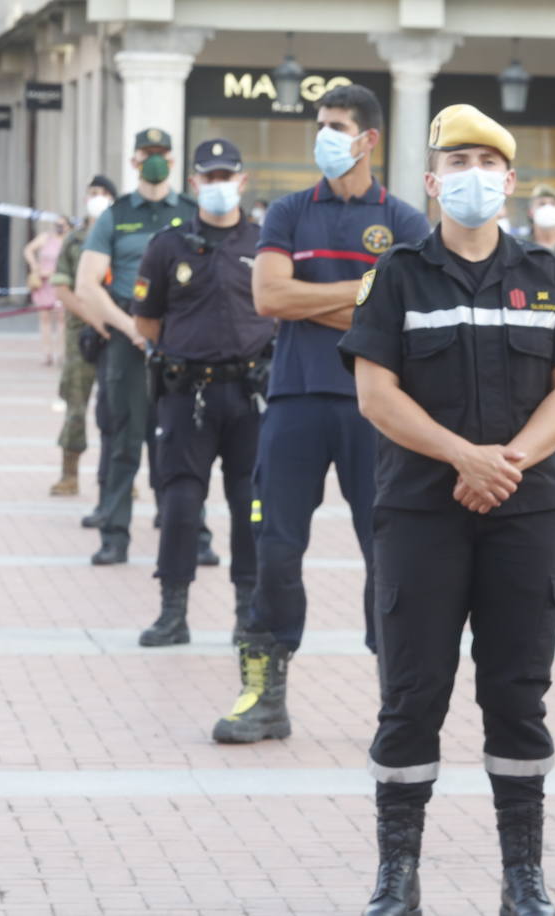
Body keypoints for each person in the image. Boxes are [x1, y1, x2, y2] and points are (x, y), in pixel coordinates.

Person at [340, 102, 555, 916]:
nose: (473, 179)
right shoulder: (397, 275)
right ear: (430, 180)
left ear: (511, 182)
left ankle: (522, 877)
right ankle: (398, 875)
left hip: (525, 514)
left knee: (518, 694)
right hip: (421, 511)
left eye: (488, 165)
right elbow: (375, 393)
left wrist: (508, 463)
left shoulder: (547, 273)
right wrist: (464, 457)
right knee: (411, 692)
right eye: (458, 165)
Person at [209, 84, 429, 743]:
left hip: (377, 407)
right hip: (294, 401)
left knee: (388, 554)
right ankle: (264, 695)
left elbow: (406, 313)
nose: (323, 136)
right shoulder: (287, 212)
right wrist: (365, 292)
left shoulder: (406, 222)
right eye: (320, 124)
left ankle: (400, 697)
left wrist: (322, 300)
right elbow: (270, 297)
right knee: (274, 548)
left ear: (369, 140)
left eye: (336, 126)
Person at [131, 139, 275, 648]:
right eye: (208, 178)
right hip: (185, 394)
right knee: (179, 505)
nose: (217, 186)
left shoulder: (265, 243)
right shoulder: (169, 246)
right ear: (193, 184)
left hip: (249, 395)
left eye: (226, 177)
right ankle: (174, 612)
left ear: (242, 180)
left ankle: (247, 611)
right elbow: (146, 321)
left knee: (249, 504)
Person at [77, 127, 206, 565]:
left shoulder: (192, 212)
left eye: (161, 154)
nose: (153, 160)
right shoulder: (116, 215)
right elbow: (86, 284)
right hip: (127, 339)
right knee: (123, 441)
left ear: (172, 161)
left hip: (181, 340)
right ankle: (114, 536)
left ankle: (196, 535)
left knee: (186, 441)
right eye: (146, 154)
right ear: (133, 162)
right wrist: (131, 327)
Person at [49, 175, 118, 499]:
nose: (98, 197)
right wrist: (94, 318)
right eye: (93, 192)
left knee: (120, 408)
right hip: (82, 334)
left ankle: (121, 477)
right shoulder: (75, 240)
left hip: (119, 332)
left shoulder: (122, 237)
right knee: (76, 404)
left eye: (104, 193)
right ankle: (69, 473)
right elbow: (62, 287)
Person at [25, 217, 70, 366]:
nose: (59, 227)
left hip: (60, 283)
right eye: (56, 224)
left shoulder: (69, 240)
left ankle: (61, 353)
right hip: (43, 284)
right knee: (44, 319)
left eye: (62, 225)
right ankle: (47, 353)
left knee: (61, 320)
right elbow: (28, 250)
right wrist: (35, 266)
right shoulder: (46, 238)